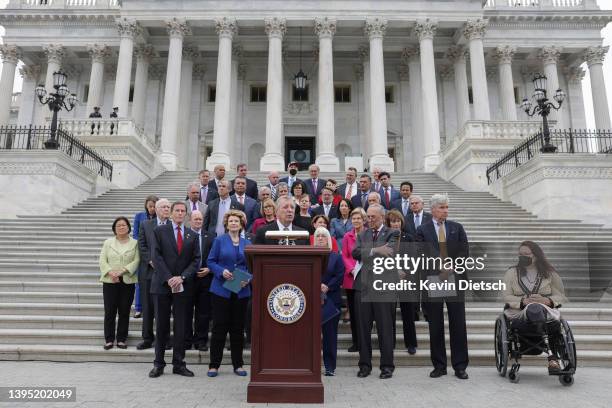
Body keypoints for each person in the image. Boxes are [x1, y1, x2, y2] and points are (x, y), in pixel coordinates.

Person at [416, 194, 469, 380]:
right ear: (433, 209)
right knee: (435, 325)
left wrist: (452, 267)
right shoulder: (422, 229)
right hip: (434, 279)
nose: (446, 211)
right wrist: (440, 267)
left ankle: (460, 366)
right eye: (442, 207)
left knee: (458, 324)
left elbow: (464, 251)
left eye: (447, 207)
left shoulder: (457, 227)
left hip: (454, 278)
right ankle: (439, 366)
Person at [149, 201, 201, 378]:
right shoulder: (159, 231)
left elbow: (196, 260)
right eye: (176, 211)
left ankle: (179, 364)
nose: (179, 213)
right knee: (162, 326)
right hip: (162, 286)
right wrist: (169, 277)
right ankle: (158, 364)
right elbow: (156, 256)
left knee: (180, 326)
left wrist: (182, 277)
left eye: (182, 211)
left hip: (182, 287)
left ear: (186, 215)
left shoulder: (192, 235)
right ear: (170, 213)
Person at [503, 241, 568, 370]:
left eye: (526, 254)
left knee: (537, 307)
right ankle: (552, 357)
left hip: (545, 312)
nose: (523, 257)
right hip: (520, 314)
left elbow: (561, 296)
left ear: (536, 255)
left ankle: (550, 352)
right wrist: (522, 301)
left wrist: (546, 300)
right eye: (520, 254)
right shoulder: (511, 273)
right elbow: (506, 296)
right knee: (533, 307)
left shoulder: (550, 273)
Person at [352, 204, 399, 379]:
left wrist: (370, 252)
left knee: (385, 329)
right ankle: (365, 365)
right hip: (363, 287)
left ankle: (387, 367)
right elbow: (355, 252)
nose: (369, 220)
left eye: (373, 217)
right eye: (368, 217)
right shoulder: (362, 233)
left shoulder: (392, 233)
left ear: (382, 216)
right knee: (363, 329)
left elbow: (390, 252)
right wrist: (375, 250)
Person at [206, 210, 252, 377]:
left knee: (238, 329)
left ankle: (238, 364)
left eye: (236, 221)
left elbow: (252, 266)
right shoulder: (219, 240)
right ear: (226, 224)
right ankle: (214, 365)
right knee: (219, 327)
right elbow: (210, 261)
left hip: (241, 290)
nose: (233, 223)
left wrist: (248, 278)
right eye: (231, 221)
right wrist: (221, 271)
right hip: (221, 290)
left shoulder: (247, 243)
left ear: (241, 225)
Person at [99, 217, 140, 350]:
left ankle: (122, 339)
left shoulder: (135, 243)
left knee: (124, 311)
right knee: (109, 311)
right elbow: (102, 260)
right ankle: (109, 339)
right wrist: (111, 272)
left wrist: (122, 272)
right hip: (110, 281)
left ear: (128, 227)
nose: (121, 227)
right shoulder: (108, 242)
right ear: (114, 229)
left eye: (124, 225)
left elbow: (137, 260)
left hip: (127, 281)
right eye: (118, 226)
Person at [136, 198, 171, 350]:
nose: (166, 209)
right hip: (149, 272)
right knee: (148, 307)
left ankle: (164, 339)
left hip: (168, 274)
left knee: (164, 309)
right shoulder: (146, 224)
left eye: (168, 207)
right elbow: (142, 245)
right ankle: (147, 338)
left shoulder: (173, 225)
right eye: (163, 207)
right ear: (156, 209)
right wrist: (150, 260)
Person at [385, 209, 418, 355]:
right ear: (388, 223)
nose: (396, 223)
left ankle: (411, 343)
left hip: (406, 278)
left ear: (402, 222)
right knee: (389, 313)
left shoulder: (408, 238)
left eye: (398, 221)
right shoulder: (384, 237)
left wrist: (405, 271)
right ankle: (389, 343)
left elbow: (413, 258)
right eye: (393, 221)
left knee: (408, 313)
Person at [313, 227, 344, 376]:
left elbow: (340, 275)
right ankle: (310, 364)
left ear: (328, 240)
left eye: (323, 236)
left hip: (331, 300)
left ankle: (330, 366)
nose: (320, 238)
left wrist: (327, 286)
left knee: (330, 335)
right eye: (317, 236)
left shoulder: (336, 257)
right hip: (312, 300)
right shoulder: (309, 257)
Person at [184, 210, 216, 352]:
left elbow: (215, 256)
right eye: (196, 219)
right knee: (186, 311)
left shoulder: (210, 236)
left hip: (205, 278)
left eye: (200, 219)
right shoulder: (184, 235)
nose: (198, 221)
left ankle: (201, 340)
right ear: (190, 220)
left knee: (203, 312)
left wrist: (209, 269)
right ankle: (186, 340)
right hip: (188, 279)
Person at [341, 207, 367, 353]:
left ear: (364, 220)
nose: (356, 221)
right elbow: (344, 255)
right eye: (354, 218)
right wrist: (352, 269)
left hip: (366, 278)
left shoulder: (368, 235)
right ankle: (356, 342)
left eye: (358, 218)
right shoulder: (347, 236)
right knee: (354, 312)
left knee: (365, 314)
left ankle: (365, 341)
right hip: (351, 278)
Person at [132, 195, 158, 319]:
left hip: (156, 254)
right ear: (146, 206)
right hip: (142, 252)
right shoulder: (139, 216)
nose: (152, 209)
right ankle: (138, 307)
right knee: (140, 281)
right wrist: (146, 248)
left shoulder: (160, 218)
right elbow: (136, 235)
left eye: (154, 206)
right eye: (150, 206)